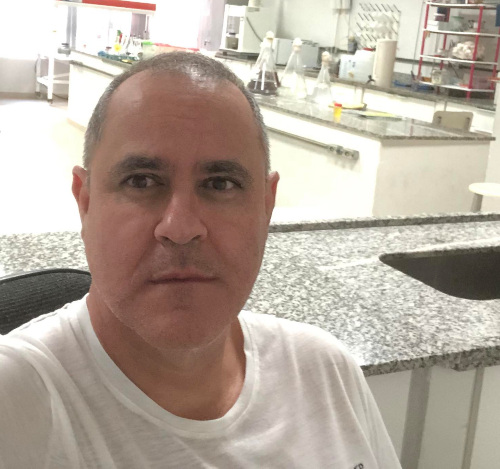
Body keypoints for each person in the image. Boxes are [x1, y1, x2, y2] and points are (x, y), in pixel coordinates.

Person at [0, 52, 401, 469]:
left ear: (266, 206)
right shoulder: (16, 403)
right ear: (85, 202)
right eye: (141, 181)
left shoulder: (325, 372)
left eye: (221, 184)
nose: (180, 227)